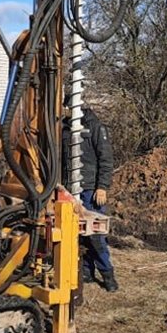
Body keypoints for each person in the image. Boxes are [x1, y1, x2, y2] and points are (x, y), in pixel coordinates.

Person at [63, 105, 118, 292]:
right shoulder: (64, 127)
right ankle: (86, 270)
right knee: (77, 234)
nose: (65, 110)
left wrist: (102, 187)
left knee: (94, 234)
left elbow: (106, 159)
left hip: (89, 189)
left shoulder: (95, 127)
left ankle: (108, 274)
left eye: (67, 107)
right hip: (70, 189)